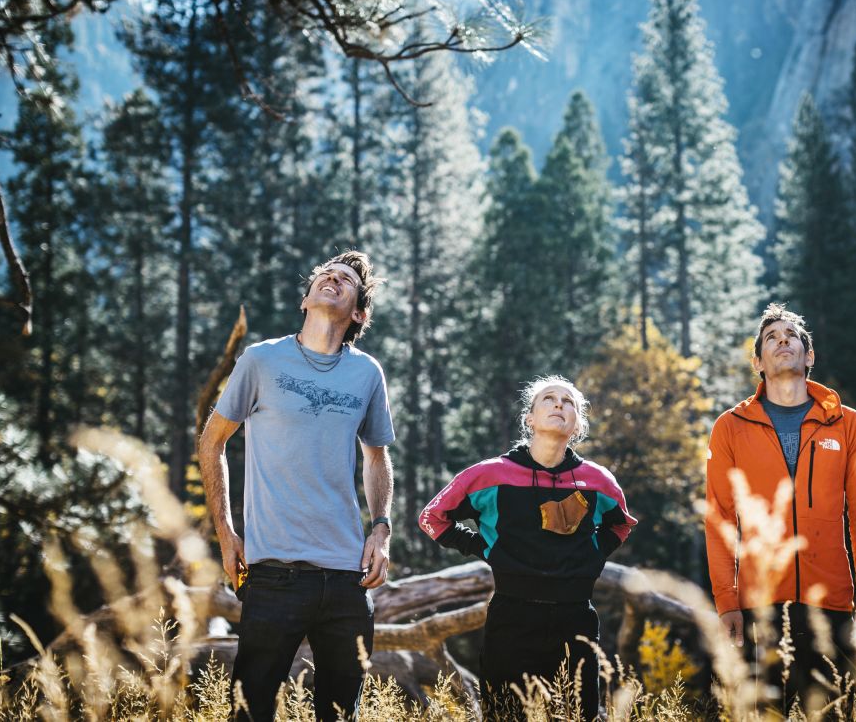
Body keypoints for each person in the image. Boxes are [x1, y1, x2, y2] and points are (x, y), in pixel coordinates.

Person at [199, 250, 395, 722]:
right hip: (273, 574)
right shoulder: (261, 360)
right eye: (325, 275)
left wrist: (382, 529)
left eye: (345, 279)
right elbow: (211, 443)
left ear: (358, 313)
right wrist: (226, 533)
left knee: (339, 714)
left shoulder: (367, 373)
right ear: (306, 300)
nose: (332, 278)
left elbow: (376, 457)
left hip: (348, 579)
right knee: (250, 713)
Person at [419, 375, 636, 720]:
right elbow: (432, 517)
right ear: (529, 419)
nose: (559, 405)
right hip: (512, 616)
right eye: (549, 399)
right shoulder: (490, 474)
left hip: (576, 616)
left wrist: (592, 555)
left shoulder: (599, 480)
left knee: (579, 715)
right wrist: (485, 549)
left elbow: (621, 524)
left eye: (569, 403)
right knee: (506, 714)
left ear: (578, 424)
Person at [704, 303, 856, 707]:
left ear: (809, 356)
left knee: (837, 712)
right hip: (760, 605)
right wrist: (727, 600)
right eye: (772, 337)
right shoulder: (730, 426)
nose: (782, 341)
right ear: (758, 363)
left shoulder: (847, 423)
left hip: (832, 604)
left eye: (791, 337)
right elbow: (719, 520)